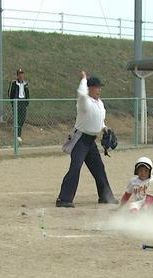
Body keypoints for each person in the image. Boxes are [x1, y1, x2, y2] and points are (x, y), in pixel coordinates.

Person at [56, 71, 117, 208]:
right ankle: (64, 199)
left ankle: (105, 197)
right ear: (90, 88)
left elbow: (99, 119)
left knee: (99, 168)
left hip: (91, 141)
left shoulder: (99, 103)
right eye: (96, 87)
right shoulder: (84, 102)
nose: (99, 89)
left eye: (100, 87)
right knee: (76, 167)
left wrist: (104, 128)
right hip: (80, 140)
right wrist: (84, 79)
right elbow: (81, 94)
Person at [8, 68, 30, 142]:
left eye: (22, 74)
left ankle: (17, 132)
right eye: (20, 74)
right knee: (17, 118)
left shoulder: (25, 83)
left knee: (22, 118)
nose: (21, 76)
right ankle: (17, 135)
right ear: (17, 75)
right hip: (16, 101)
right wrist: (12, 102)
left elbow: (27, 94)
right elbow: (10, 93)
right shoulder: (14, 83)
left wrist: (26, 102)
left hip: (23, 101)